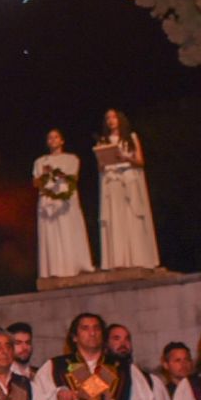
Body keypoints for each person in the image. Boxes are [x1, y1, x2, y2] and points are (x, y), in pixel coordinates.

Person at [94, 108, 160, 270]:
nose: (111, 120)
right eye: (107, 118)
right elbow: (100, 168)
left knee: (132, 217)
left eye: (113, 117)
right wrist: (103, 161)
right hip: (113, 182)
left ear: (120, 119)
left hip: (129, 180)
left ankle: (137, 258)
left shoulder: (131, 137)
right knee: (116, 218)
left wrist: (125, 158)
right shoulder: (103, 141)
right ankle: (119, 260)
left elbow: (140, 161)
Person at [34, 128, 94, 278]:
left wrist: (54, 173)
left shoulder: (71, 159)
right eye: (50, 138)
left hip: (65, 199)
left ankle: (71, 265)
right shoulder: (40, 161)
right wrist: (44, 177)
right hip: (47, 200)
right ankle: (54, 268)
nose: (53, 140)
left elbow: (71, 178)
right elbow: (36, 181)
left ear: (62, 141)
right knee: (51, 232)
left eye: (56, 137)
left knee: (67, 230)